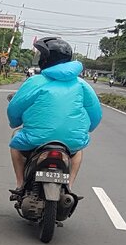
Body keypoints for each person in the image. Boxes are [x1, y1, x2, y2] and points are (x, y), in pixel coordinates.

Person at [7, 37, 103, 197]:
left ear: (46, 59)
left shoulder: (35, 81)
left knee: (15, 144)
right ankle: (69, 187)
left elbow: (15, 109)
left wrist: (15, 123)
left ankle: (20, 184)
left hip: (35, 140)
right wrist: (88, 129)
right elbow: (95, 115)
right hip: (71, 142)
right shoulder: (82, 84)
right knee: (78, 152)